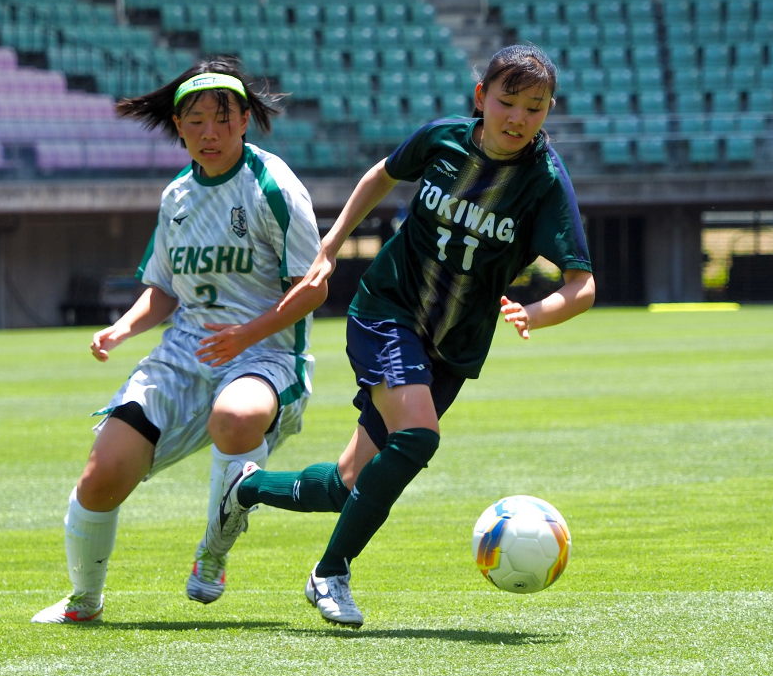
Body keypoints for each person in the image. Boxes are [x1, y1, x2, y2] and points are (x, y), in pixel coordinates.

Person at [202, 43, 596, 627]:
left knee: (347, 484)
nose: (518, 118)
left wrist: (536, 313)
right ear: (481, 97)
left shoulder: (543, 180)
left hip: (453, 347)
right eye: (507, 102)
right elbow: (381, 175)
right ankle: (330, 572)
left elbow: (582, 286)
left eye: (534, 108)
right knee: (418, 437)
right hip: (387, 311)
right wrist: (330, 245)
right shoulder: (442, 139)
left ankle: (247, 488)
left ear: (549, 110)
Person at [32, 59, 324, 624]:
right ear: (178, 126)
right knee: (102, 473)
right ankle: (84, 600)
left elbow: (312, 286)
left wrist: (245, 335)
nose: (209, 132)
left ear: (245, 120)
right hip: (183, 355)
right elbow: (163, 291)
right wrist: (122, 329)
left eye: (222, 119)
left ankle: (213, 552)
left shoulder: (274, 185)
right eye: (196, 121)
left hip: (265, 353)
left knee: (237, 417)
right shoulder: (178, 197)